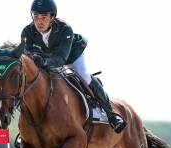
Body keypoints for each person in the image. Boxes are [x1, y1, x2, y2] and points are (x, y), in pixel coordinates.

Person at [21, 0, 126, 133]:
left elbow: (60, 58)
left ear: (52, 17)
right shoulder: (27, 32)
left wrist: (45, 62)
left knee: (83, 74)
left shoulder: (65, 29)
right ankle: (27, 126)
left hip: (71, 55)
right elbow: (28, 56)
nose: (39, 22)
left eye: (44, 17)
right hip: (46, 59)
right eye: (36, 17)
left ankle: (111, 114)